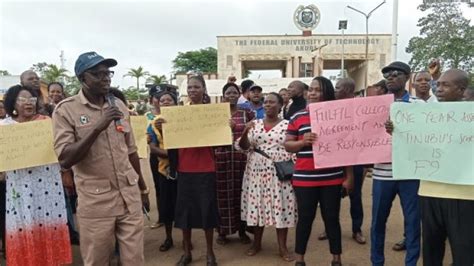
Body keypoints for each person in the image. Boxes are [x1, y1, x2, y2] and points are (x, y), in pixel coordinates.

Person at [52, 51, 149, 266]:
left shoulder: (119, 106)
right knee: (97, 261)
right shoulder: (65, 110)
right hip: (96, 203)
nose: (105, 78)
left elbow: (131, 151)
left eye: (108, 73)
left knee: (135, 261)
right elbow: (66, 158)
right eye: (97, 74)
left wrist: (142, 189)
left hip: (128, 196)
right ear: (82, 78)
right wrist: (98, 127)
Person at [285, 76, 354, 266]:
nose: (313, 93)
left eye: (318, 90)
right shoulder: (297, 117)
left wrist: (349, 177)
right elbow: (287, 145)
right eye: (311, 89)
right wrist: (302, 142)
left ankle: (336, 258)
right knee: (305, 219)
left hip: (332, 178)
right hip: (304, 179)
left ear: (327, 93)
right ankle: (300, 259)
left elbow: (346, 148)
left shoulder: (339, 116)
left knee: (332, 219)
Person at [1, 85, 72, 266]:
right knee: (24, 222)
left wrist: (65, 173)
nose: (28, 103)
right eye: (23, 100)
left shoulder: (46, 122)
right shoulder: (5, 127)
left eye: (32, 99)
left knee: (49, 221)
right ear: (13, 104)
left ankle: (52, 261)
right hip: (19, 186)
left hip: (48, 185)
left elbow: (59, 149)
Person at [417, 69, 473, 266]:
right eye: (438, 84)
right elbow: (411, 144)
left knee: (463, 250)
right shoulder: (423, 114)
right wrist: (396, 131)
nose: (439, 89)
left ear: (461, 89)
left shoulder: (471, 116)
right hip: (429, 191)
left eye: (445, 85)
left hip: (464, 195)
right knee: (431, 250)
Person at [162, 75, 219, 266]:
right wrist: (165, 128)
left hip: (206, 168)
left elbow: (220, 142)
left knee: (207, 212)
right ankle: (187, 252)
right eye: (189, 87)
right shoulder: (178, 114)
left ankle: (210, 253)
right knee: (184, 213)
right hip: (184, 168)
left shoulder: (213, 113)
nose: (192, 90)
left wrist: (227, 128)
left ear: (203, 89)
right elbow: (171, 143)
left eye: (196, 87)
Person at [371, 61, 423, 266]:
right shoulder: (374, 107)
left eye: (395, 74)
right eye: (387, 75)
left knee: (412, 222)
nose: (390, 77)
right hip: (382, 173)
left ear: (407, 77)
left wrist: (402, 131)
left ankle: (411, 263)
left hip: (410, 173)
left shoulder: (419, 105)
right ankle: (377, 262)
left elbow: (429, 135)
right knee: (377, 222)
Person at [238, 92, 297, 262]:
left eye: (272, 102)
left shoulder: (288, 125)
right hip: (256, 171)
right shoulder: (254, 124)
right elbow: (243, 147)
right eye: (265, 102)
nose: (267, 105)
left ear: (280, 105)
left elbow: (293, 147)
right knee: (258, 206)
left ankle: (282, 247)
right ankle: (256, 244)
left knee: (282, 207)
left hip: (280, 172)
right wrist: (244, 131)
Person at [317, 78, 366, 245]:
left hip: (355, 159)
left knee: (355, 196)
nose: (335, 90)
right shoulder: (328, 107)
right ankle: (329, 227)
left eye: (338, 87)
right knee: (330, 198)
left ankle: (356, 229)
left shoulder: (362, 108)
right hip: (334, 159)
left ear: (348, 89)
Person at [215, 82, 254, 245]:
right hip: (221, 160)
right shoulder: (216, 114)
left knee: (241, 195)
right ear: (223, 95)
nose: (231, 95)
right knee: (221, 196)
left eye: (234, 92)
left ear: (239, 95)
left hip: (241, 161)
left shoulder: (247, 113)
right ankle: (222, 232)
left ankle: (242, 231)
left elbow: (254, 134)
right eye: (228, 92)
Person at [150, 91, 179, 252]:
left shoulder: (183, 120)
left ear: (175, 103)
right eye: (163, 100)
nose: (166, 102)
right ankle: (169, 238)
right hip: (165, 170)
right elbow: (153, 148)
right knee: (167, 206)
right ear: (158, 104)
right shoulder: (154, 123)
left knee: (182, 205)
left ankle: (186, 240)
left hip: (183, 169)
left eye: (169, 100)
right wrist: (171, 154)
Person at [145, 86, 163, 229]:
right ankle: (162, 217)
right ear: (151, 100)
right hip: (156, 155)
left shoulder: (175, 114)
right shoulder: (146, 117)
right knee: (158, 186)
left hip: (174, 156)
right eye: (157, 97)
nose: (160, 100)